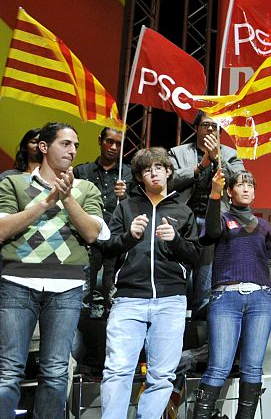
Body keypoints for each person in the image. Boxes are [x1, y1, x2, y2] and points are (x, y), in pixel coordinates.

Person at [0, 122, 107, 418]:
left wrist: (67, 198)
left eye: (75, 145)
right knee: (8, 370)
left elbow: (91, 234)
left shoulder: (86, 188)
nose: (72, 151)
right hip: (17, 283)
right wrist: (47, 202)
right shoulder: (13, 183)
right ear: (44, 147)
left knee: (56, 371)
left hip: (67, 287)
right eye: (65, 144)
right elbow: (2, 229)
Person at [100, 147, 200, 418]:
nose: (153, 172)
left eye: (158, 167)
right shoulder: (126, 207)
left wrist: (176, 239)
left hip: (171, 300)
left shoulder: (183, 211)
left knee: (162, 376)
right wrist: (130, 237)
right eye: (146, 169)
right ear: (140, 176)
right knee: (117, 370)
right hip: (129, 299)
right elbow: (107, 247)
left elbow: (195, 256)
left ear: (169, 171)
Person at [192, 170, 271, 419]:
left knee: (252, 368)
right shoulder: (222, 219)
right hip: (225, 299)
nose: (246, 189)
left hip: (261, 299)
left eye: (250, 185)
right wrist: (214, 193)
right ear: (230, 192)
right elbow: (210, 232)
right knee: (219, 366)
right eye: (240, 185)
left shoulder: (263, 225)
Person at [169, 111, 244, 319]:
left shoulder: (229, 154)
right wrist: (200, 165)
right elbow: (169, 180)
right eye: (206, 125)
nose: (211, 129)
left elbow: (239, 181)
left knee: (206, 275)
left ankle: (201, 320)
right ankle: (175, 315)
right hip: (184, 220)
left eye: (215, 127)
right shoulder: (177, 152)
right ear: (196, 129)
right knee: (179, 273)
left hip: (214, 221)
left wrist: (217, 158)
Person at [74, 126, 133, 318]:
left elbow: (137, 208)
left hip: (116, 237)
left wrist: (124, 197)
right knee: (84, 287)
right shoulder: (81, 171)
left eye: (118, 143)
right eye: (109, 141)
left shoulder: (129, 173)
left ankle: (110, 325)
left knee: (113, 289)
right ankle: (81, 327)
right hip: (88, 237)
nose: (114, 147)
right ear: (100, 141)